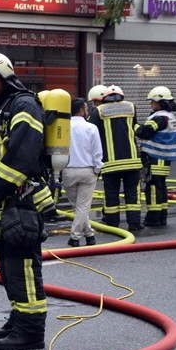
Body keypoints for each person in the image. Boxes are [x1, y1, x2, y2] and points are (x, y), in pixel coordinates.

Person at [0, 50, 49, 350]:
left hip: (21, 200)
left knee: (23, 266)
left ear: (4, 76)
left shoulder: (24, 105)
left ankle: (31, 331)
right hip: (4, 203)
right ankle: (19, 318)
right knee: (8, 265)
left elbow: (21, 156)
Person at [89, 85, 143, 231]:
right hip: (132, 161)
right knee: (132, 193)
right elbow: (135, 127)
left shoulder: (98, 111)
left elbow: (90, 132)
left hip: (109, 163)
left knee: (111, 193)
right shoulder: (131, 107)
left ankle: (112, 223)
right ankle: (134, 223)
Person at [62, 97, 103, 246]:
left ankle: (90, 235)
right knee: (82, 207)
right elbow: (97, 152)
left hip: (67, 171)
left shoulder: (63, 127)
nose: (87, 111)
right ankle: (74, 237)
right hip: (87, 171)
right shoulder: (91, 128)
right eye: (86, 108)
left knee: (78, 207)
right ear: (81, 110)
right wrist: (98, 169)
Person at [136, 85, 176, 227]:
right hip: (164, 158)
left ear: (159, 102)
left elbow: (144, 132)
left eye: (152, 102)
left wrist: (131, 124)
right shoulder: (169, 116)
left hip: (156, 157)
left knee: (153, 187)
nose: (151, 104)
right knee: (160, 186)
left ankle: (153, 218)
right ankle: (162, 217)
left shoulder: (159, 118)